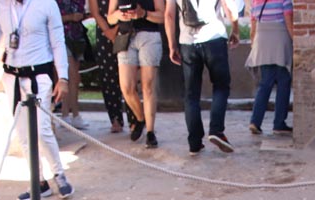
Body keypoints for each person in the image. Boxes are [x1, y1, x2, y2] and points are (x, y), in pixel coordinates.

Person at [0, 0, 75, 200]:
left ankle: (59, 175)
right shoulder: (3, 6)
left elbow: (57, 42)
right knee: (24, 133)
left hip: (39, 75)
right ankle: (38, 181)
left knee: (42, 130)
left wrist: (63, 77)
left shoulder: (46, 4)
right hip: (12, 77)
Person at [165, 0, 240, 155]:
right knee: (221, 86)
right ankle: (216, 130)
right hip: (214, 39)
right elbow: (231, 9)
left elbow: (169, 15)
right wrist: (236, 30)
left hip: (188, 43)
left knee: (191, 95)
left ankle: (194, 142)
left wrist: (172, 45)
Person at [108, 0, 166, 148]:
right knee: (126, 87)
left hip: (149, 35)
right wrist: (119, 15)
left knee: (148, 86)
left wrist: (144, 14)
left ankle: (150, 132)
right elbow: (110, 17)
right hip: (125, 36)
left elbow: (162, 15)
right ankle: (141, 118)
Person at [247, 1, 294, 135]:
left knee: (265, 83)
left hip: (262, 41)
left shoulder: (255, 1)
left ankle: (255, 121)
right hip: (279, 40)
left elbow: (253, 26)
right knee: (284, 81)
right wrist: (297, 42)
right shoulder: (284, 0)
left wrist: (254, 46)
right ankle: (279, 123)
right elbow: (289, 23)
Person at [90, 0, 135, 132]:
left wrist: (117, 29)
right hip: (104, 34)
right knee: (108, 77)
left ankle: (134, 119)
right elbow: (95, 13)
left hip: (125, 29)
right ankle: (115, 118)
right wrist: (108, 31)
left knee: (128, 75)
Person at [56, 0, 89, 128]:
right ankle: (72, 115)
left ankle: (68, 114)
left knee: (74, 78)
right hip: (62, 38)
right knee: (70, 75)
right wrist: (70, 17)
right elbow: (51, 16)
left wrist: (83, 16)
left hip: (77, 38)